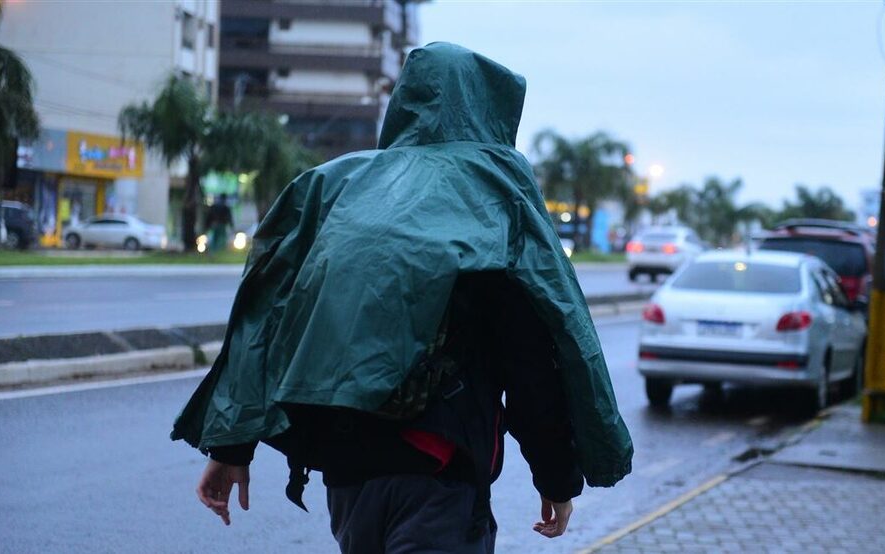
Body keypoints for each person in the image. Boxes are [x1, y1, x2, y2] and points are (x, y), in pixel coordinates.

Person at [172, 43, 633, 553]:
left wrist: (231, 445)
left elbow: (265, 316)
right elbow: (530, 362)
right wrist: (556, 477)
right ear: (487, 108)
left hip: (347, 476)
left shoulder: (334, 186)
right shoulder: (493, 195)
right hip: (438, 475)